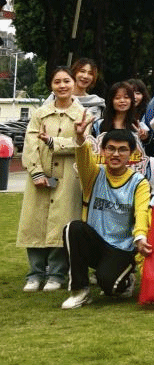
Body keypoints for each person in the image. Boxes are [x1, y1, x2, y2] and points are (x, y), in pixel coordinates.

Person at [60, 123, 152, 309]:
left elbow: (142, 211)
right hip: (96, 243)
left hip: (121, 249)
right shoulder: (94, 174)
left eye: (122, 150)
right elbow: (83, 158)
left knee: (111, 288)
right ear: (102, 151)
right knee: (73, 228)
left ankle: (126, 279)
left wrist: (141, 237)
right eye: (110, 148)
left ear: (131, 154)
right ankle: (80, 291)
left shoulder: (139, 182)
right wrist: (80, 139)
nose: (115, 154)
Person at [18, 67, 85, 292]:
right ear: (51, 86)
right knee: (34, 224)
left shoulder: (82, 114)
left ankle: (57, 274)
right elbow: (30, 144)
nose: (62, 85)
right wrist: (36, 172)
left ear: (74, 84)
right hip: (40, 175)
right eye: (57, 82)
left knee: (61, 224)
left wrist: (53, 142)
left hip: (68, 177)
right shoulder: (40, 114)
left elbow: (82, 144)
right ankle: (35, 274)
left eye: (66, 81)